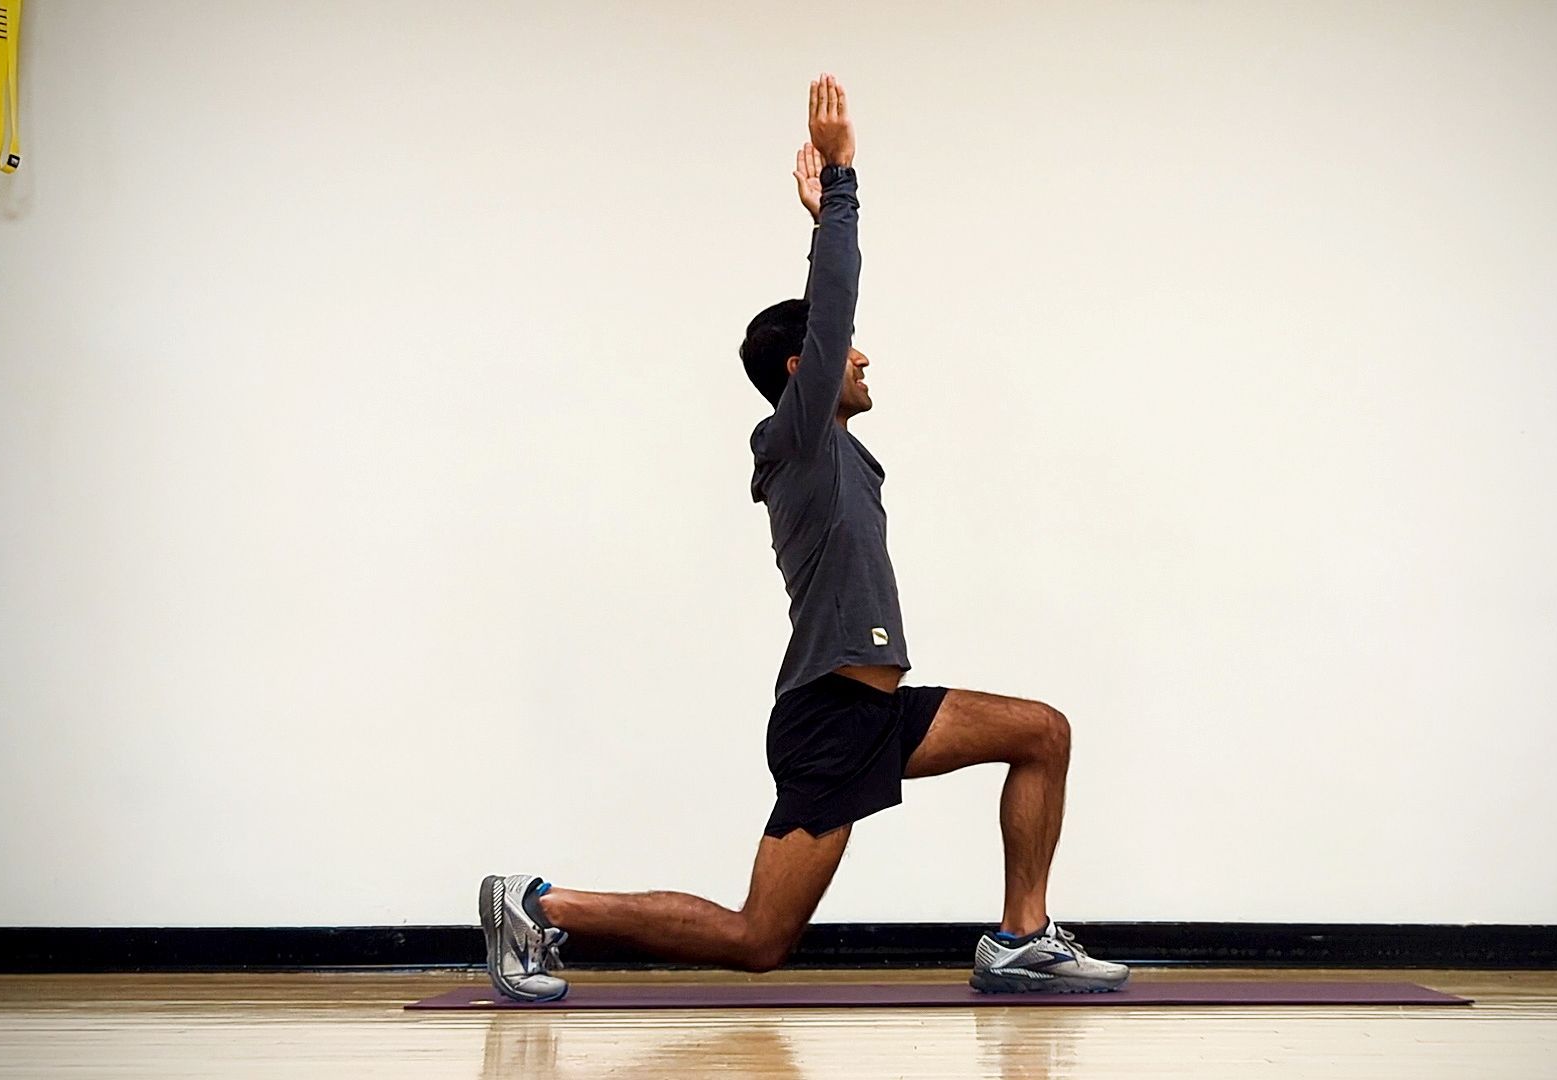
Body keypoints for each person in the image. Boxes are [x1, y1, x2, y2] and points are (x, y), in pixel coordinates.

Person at [478, 74, 1127, 1002]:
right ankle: (539, 904)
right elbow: (831, 313)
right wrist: (840, 188)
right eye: (844, 347)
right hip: (830, 719)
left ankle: (1023, 940)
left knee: (1042, 733)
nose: (862, 355)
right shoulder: (793, 439)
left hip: (878, 710)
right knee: (758, 939)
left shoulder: (839, 456)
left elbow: (831, 333)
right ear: (804, 369)